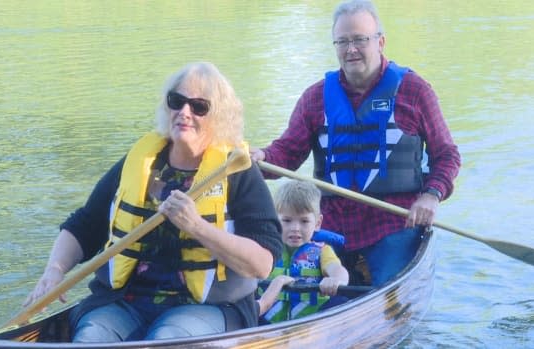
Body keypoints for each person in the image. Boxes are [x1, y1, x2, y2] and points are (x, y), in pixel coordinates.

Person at [23, 62, 283, 343]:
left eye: (199, 107)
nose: (184, 112)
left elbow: (262, 263)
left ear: (220, 116)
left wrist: (198, 227)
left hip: (208, 308)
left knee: (168, 339)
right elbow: (85, 225)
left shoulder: (237, 171)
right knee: (91, 338)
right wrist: (55, 270)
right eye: (177, 101)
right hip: (126, 301)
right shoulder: (140, 162)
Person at [251, 0, 460, 287]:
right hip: (330, 226)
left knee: (385, 286)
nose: (351, 49)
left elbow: (447, 155)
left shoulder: (415, 91)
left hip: (394, 224)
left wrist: (431, 195)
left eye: (360, 39)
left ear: (380, 41)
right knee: (299, 287)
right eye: (343, 41)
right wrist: (259, 156)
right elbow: (286, 153)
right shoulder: (315, 98)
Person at [257, 180, 349, 323]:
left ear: (317, 223)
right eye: (287, 220)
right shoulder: (266, 248)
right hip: (267, 323)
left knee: (341, 302)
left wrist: (337, 280)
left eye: (304, 221)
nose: (295, 228)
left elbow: (337, 269)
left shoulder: (322, 251)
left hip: (313, 322)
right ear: (275, 220)